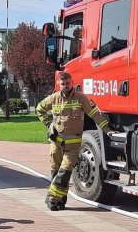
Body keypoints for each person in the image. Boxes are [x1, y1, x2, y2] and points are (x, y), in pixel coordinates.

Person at [35, 71, 111, 211]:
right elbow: (39, 109)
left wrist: (106, 129)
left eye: (68, 83)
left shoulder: (81, 98)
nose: (65, 86)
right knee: (55, 173)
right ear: (59, 84)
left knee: (64, 173)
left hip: (73, 146)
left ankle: (51, 198)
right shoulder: (53, 98)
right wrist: (48, 124)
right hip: (56, 144)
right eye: (63, 84)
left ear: (72, 83)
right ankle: (60, 202)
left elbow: (95, 114)